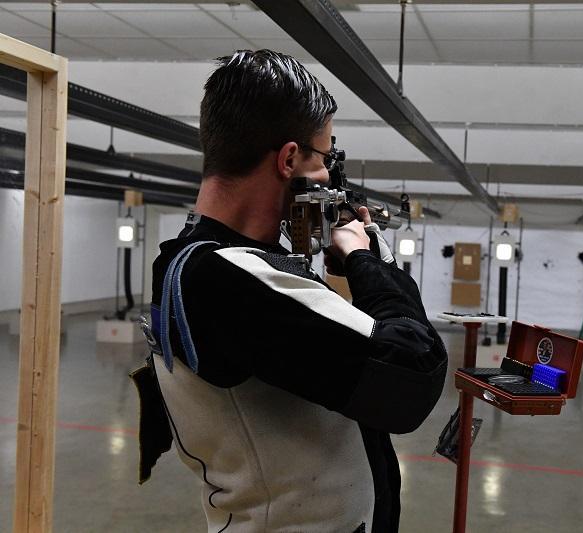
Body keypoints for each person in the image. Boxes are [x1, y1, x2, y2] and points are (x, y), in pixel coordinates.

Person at [141, 50, 447, 533]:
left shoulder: (202, 263)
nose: (328, 178)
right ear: (288, 159)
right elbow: (412, 373)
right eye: (324, 159)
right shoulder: (227, 278)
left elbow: (331, 344)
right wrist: (364, 257)